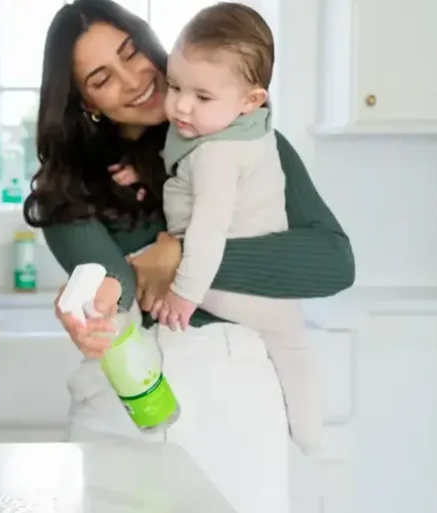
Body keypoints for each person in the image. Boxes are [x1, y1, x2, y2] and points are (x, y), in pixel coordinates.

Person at [22, 1, 355, 512]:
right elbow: (117, 282)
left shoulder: (249, 138)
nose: (133, 80)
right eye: (101, 78)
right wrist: (90, 301)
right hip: (127, 404)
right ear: (85, 102)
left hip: (234, 398)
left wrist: (179, 255)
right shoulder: (68, 187)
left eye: (131, 54)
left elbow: (332, 261)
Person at [112, 2, 322, 455]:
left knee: (288, 343)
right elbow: (178, 171)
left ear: (252, 101)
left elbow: (208, 229)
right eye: (175, 85)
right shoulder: (231, 129)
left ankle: (308, 436)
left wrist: (185, 293)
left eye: (201, 97)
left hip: (226, 282)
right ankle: (310, 433)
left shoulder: (218, 154)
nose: (181, 105)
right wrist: (141, 177)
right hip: (265, 287)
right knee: (293, 348)